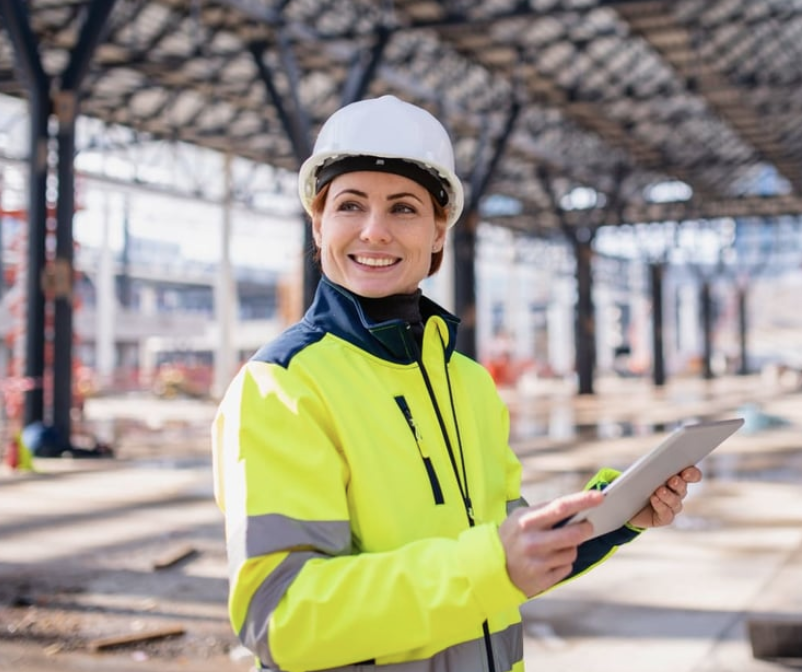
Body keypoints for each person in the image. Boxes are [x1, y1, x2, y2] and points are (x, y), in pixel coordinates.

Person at [211, 95, 702, 672]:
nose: (374, 232)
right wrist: (493, 565)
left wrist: (609, 519)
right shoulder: (282, 388)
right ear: (318, 225)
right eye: (349, 205)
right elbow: (282, 618)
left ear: (439, 231)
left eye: (403, 209)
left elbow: (508, 548)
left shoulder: (466, 383)